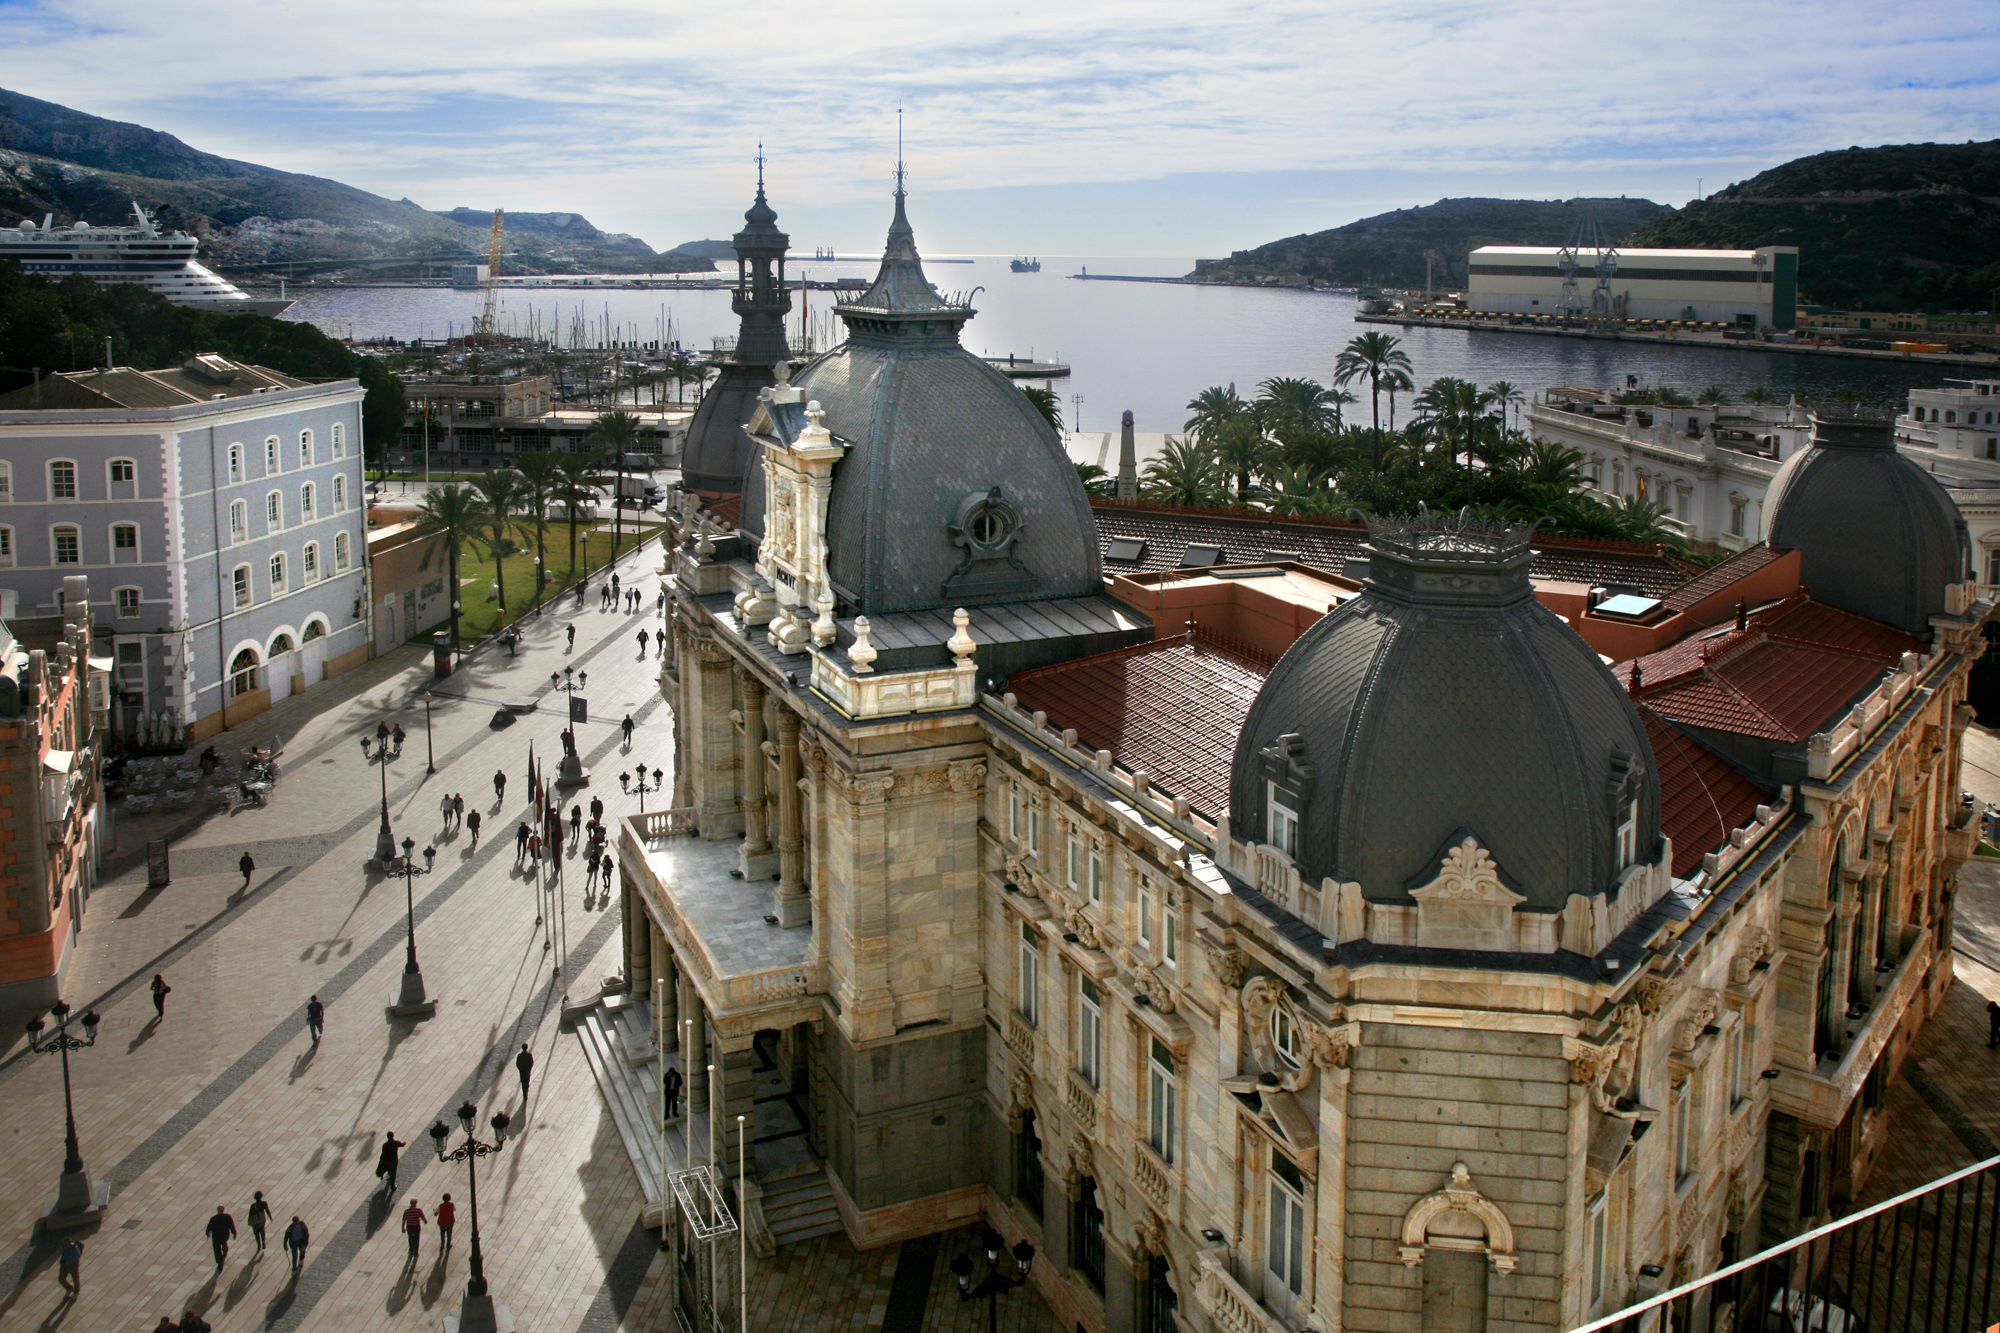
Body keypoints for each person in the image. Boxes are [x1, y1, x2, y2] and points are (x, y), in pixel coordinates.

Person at [401, 1198, 427, 1263]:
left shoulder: (406, 1211)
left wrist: (403, 1228)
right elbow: (422, 1217)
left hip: (409, 1227)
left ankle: (411, 1249)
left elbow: (404, 1220)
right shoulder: (418, 1210)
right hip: (416, 1226)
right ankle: (416, 1253)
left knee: (410, 1237)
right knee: (416, 1239)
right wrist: (425, 1221)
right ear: (416, 1203)